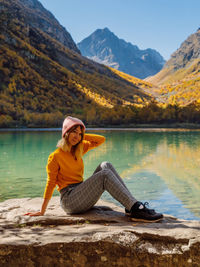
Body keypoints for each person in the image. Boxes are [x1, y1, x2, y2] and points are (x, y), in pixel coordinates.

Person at [25, 116, 163, 222]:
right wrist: (42, 211)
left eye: (80, 134)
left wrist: (83, 135)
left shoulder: (78, 149)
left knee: (106, 165)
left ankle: (130, 206)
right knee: (104, 175)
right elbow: (50, 183)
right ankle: (136, 209)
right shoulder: (55, 157)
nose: (77, 137)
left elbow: (101, 140)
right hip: (69, 201)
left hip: (81, 192)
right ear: (66, 133)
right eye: (74, 132)